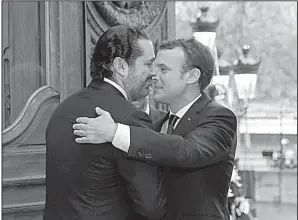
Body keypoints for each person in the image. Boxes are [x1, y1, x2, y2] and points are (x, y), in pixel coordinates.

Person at [73, 38, 238, 220]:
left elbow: (187, 151)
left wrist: (115, 132)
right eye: (153, 67)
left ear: (192, 76)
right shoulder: (155, 123)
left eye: (163, 69)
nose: (153, 75)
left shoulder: (220, 117)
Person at [44, 25, 166, 220]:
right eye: (148, 64)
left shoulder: (62, 109)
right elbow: (151, 206)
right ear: (121, 66)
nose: (153, 73)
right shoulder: (130, 118)